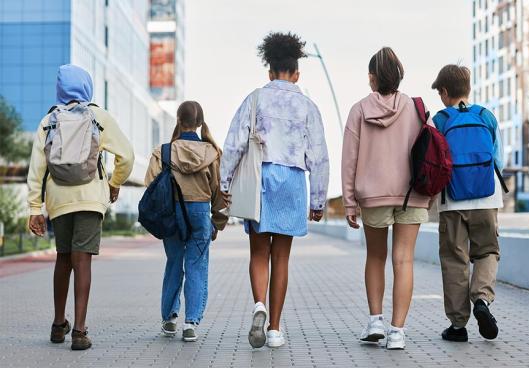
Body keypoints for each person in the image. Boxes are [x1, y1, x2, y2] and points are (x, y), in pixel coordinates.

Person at [220, 32, 329, 349]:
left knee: (258, 252)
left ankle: (259, 305)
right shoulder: (308, 106)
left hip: (260, 179)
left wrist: (224, 184)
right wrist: (318, 199)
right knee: (281, 257)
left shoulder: (254, 99)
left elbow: (233, 145)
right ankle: (275, 330)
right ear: (297, 74)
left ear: (269, 72)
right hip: (293, 181)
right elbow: (319, 157)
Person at [27, 64, 134, 350]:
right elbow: (127, 155)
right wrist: (114, 182)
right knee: (82, 260)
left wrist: (34, 208)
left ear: (60, 90)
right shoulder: (99, 116)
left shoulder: (48, 120)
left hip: (58, 200)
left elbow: (36, 168)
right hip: (89, 198)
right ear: (87, 87)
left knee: (63, 259)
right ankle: (80, 331)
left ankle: (58, 324)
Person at [341, 47, 432, 350]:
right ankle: (397, 332)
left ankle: (375, 321)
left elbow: (349, 160)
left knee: (376, 257)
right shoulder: (417, 109)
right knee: (403, 259)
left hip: (374, 195)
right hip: (412, 194)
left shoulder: (359, 110)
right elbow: (429, 154)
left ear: (371, 78)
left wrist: (350, 202)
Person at [145, 101, 228, 342]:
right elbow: (220, 192)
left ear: (179, 122)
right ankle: (190, 323)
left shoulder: (164, 152)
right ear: (200, 123)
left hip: (172, 214)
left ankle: (169, 319)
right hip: (200, 214)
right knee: (197, 265)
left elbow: (150, 184)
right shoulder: (212, 153)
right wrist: (217, 222)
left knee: (174, 263)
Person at [431, 65, 503, 342]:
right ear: (468, 89)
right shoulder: (486, 116)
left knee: (454, 259)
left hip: (452, 201)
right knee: (487, 251)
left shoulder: (439, 120)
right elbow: (498, 159)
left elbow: (433, 161)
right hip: (487, 198)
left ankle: (458, 326)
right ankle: (482, 299)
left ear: (444, 92)